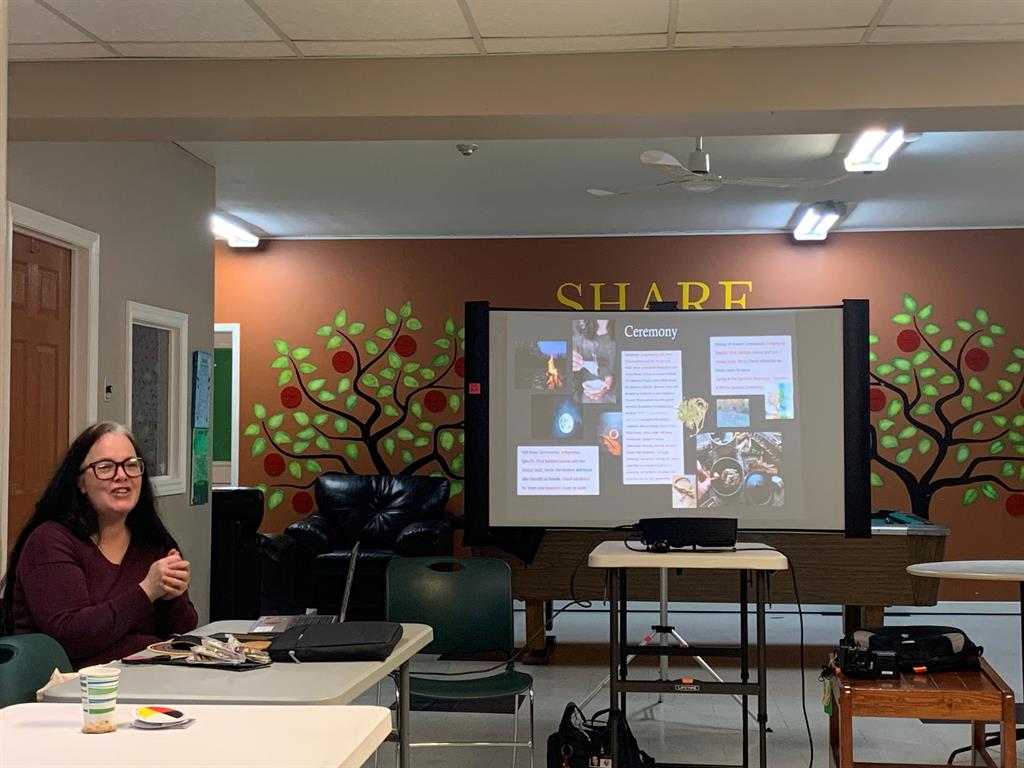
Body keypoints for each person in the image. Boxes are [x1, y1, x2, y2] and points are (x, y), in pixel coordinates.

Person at [0, 421, 198, 669]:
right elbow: (69, 637)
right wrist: (146, 591)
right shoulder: (49, 541)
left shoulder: (153, 542)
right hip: (70, 686)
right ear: (80, 482)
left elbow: (181, 636)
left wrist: (173, 597)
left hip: (150, 679)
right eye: (105, 467)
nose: (121, 476)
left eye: (131, 465)